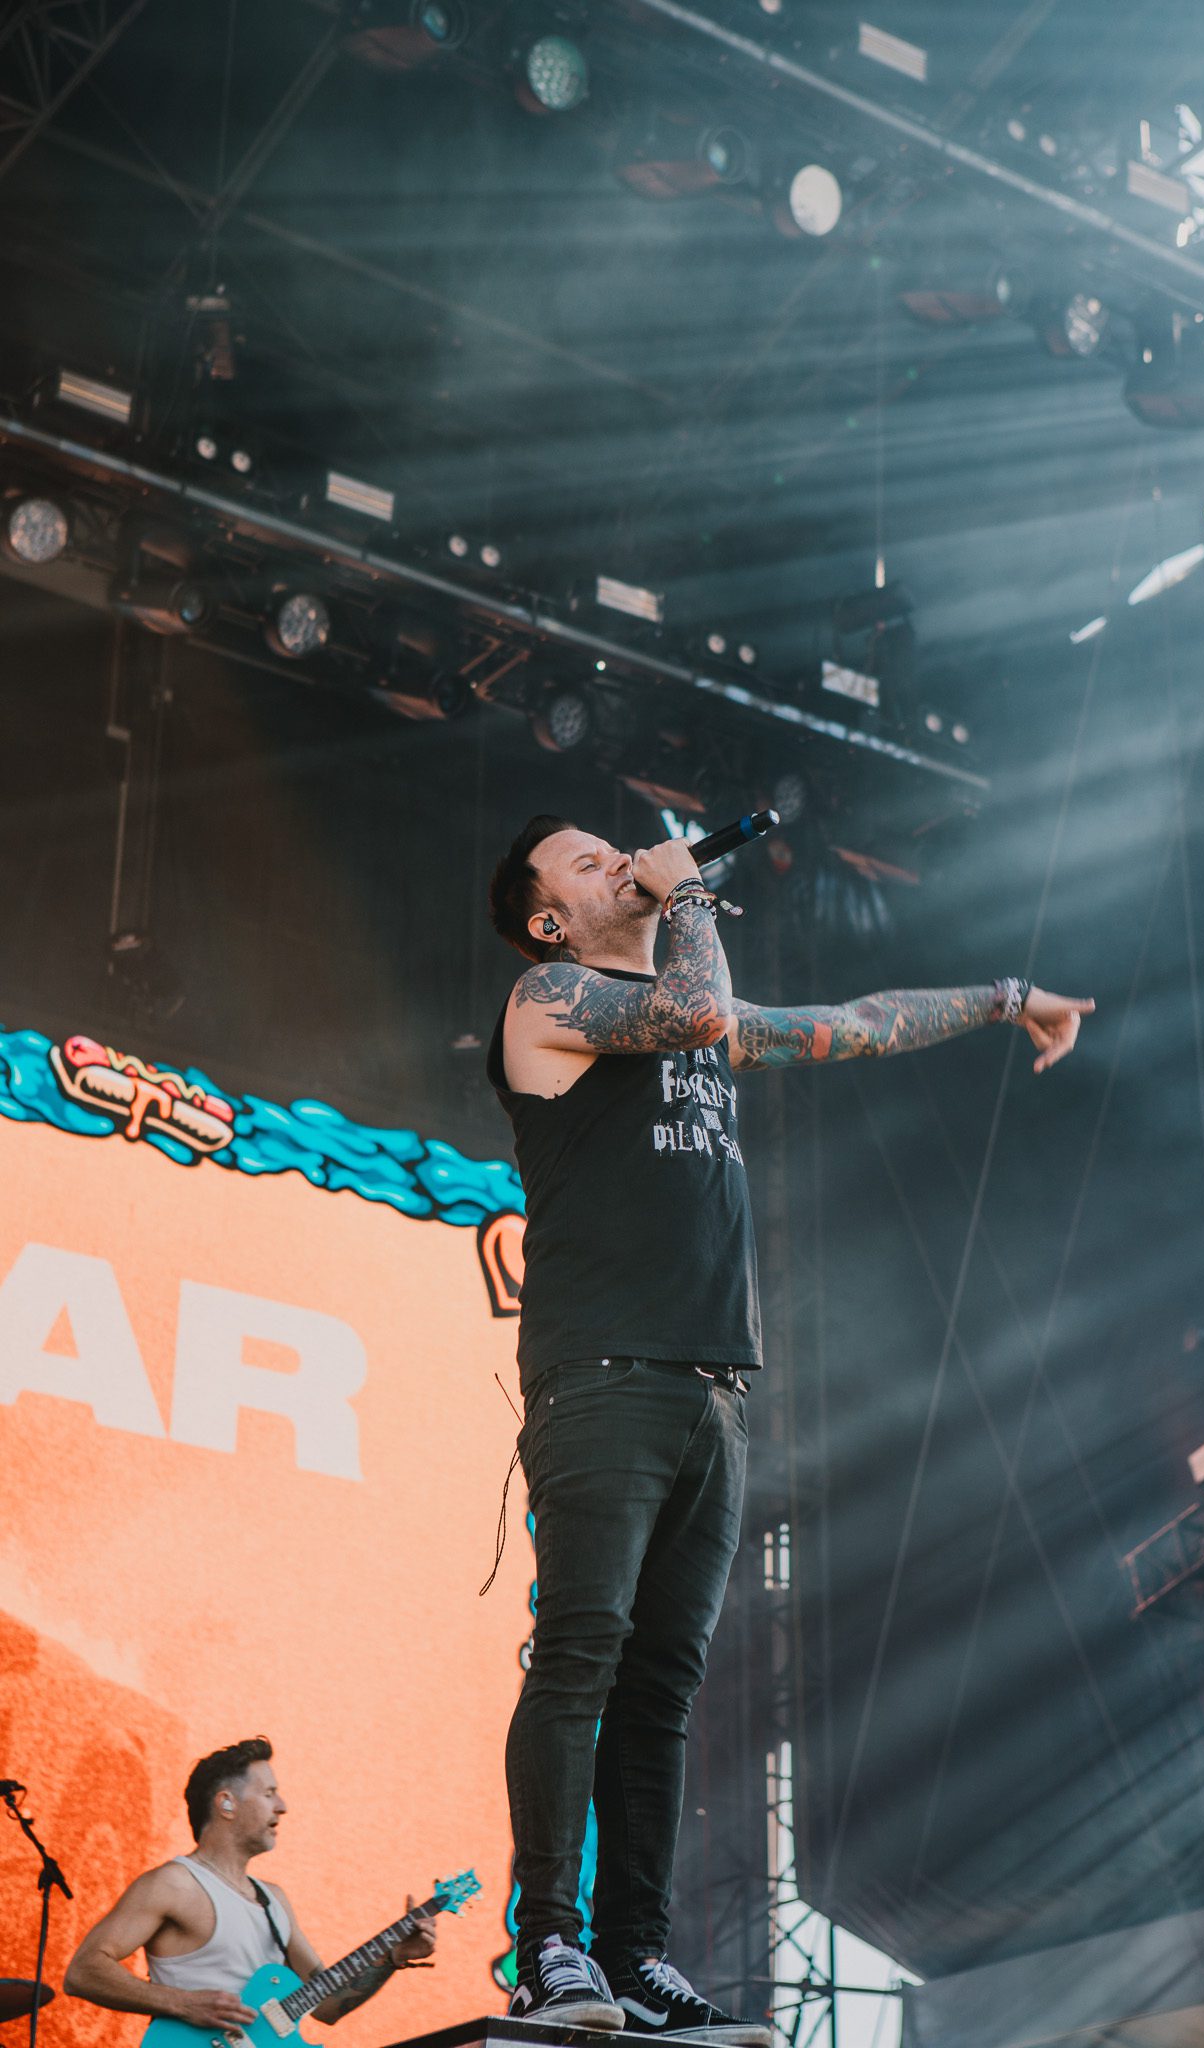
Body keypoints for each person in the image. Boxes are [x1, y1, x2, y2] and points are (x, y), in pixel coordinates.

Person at [486, 818, 1093, 2042]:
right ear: (550, 918)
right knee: (583, 1653)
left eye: (619, 848)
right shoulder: (547, 997)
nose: (619, 861)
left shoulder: (692, 1006)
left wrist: (1004, 995)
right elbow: (698, 1013)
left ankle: (636, 1954)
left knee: (663, 1685)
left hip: (715, 1384)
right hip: (602, 1371)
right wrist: (687, 898)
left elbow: (853, 1022)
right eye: (588, 862)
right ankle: (548, 1941)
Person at [63, 1737, 437, 2034]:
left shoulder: (274, 1900)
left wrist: (393, 1956)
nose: (282, 1806)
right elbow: (83, 1971)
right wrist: (183, 2003)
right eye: (269, 1793)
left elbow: (326, 2005)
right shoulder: (174, 1884)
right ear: (226, 1804)